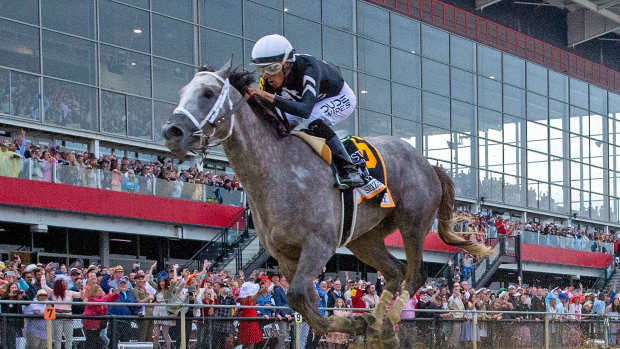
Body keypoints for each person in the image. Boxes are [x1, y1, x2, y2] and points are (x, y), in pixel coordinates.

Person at [247, 34, 364, 189]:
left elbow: (305, 110)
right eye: (262, 69)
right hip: (306, 101)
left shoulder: (308, 68)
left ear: (287, 64)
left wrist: (267, 96)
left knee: (311, 119)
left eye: (273, 68)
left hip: (338, 96)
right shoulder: (267, 80)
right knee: (276, 126)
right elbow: (271, 113)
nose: (267, 76)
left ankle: (349, 169)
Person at [40, 272, 82, 349]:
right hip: (57, 316)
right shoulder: (54, 292)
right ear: (59, 283)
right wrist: (43, 274)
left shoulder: (70, 292)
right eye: (63, 282)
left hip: (68, 316)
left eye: (66, 282)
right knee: (57, 338)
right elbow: (44, 286)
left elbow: (80, 295)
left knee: (69, 338)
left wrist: (81, 288)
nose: (65, 284)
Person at [82, 284, 120, 349]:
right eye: (99, 290)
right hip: (90, 324)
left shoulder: (101, 298)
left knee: (97, 342)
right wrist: (109, 294)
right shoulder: (91, 299)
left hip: (98, 324)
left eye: (101, 290)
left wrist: (116, 293)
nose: (101, 291)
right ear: (94, 292)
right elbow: (102, 301)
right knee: (92, 341)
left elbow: (109, 300)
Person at [237, 281, 264, 348]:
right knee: (250, 342)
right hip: (250, 321)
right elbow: (259, 293)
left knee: (247, 343)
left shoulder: (243, 298)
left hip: (250, 320)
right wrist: (263, 288)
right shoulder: (248, 299)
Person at [1, 281, 25, 348]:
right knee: (7, 341)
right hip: (6, 322)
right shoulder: (5, 296)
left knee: (15, 342)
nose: (14, 289)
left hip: (17, 322)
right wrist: (9, 295)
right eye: (12, 287)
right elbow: (1, 299)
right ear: (9, 289)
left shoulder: (18, 297)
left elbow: (28, 303)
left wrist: (24, 295)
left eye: (15, 287)